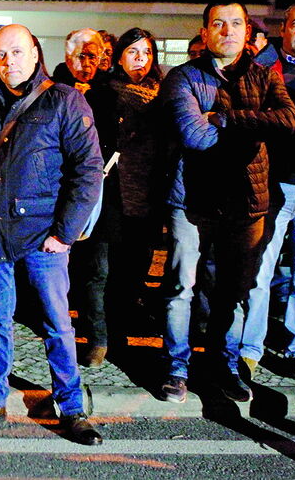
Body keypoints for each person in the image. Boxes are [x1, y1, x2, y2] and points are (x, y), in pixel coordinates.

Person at [0, 24, 104, 446]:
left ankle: (71, 407)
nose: (9, 62)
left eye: (17, 52)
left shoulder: (65, 100)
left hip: (44, 237)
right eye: (1, 55)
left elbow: (88, 172)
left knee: (57, 324)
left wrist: (66, 233)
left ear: (35, 53)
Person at [158, 0, 295, 405]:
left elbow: (287, 122)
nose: (228, 30)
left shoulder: (263, 76)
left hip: (246, 201)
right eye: (219, 23)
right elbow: (193, 136)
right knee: (182, 286)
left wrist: (224, 118)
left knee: (232, 291)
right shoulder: (182, 78)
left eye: (236, 23)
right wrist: (254, 127)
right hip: (190, 200)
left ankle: (225, 365)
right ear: (205, 32)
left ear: (247, 32)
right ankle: (176, 368)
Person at [240, 0, 295, 381]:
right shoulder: (263, 69)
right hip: (273, 188)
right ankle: (249, 350)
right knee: (259, 273)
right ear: (283, 28)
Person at [78, 27, 164, 366]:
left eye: (145, 52)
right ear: (118, 58)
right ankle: (97, 338)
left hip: (146, 194)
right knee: (97, 269)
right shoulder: (100, 93)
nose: (140, 58)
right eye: (132, 52)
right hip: (108, 192)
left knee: (133, 271)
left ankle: (122, 335)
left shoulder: (164, 96)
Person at [52, 28, 105, 93]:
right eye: (80, 57)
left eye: (92, 57)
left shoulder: (105, 85)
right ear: (68, 60)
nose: (86, 64)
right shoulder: (54, 87)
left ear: (98, 60)